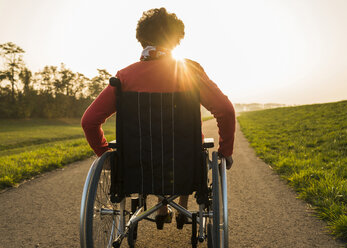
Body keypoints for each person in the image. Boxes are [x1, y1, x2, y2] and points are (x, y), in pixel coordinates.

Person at [81, 7, 235, 230]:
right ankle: (180, 204)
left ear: (142, 40)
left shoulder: (123, 78)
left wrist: (104, 155)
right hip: (185, 163)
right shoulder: (190, 72)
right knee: (187, 143)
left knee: (150, 144)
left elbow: (89, 121)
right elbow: (226, 111)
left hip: (138, 166)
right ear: (176, 40)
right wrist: (226, 151)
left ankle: (162, 207)